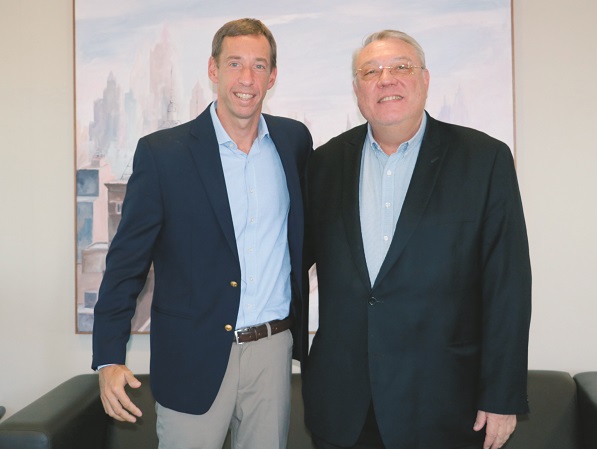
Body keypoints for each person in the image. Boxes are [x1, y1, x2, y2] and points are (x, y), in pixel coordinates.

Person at [302, 30, 531, 449]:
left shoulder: (484, 159)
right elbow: (290, 265)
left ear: (425, 79)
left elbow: (508, 286)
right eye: (371, 71)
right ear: (357, 90)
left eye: (401, 67)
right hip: (343, 407)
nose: (386, 79)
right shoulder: (324, 164)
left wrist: (502, 395)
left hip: (445, 406)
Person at [92, 18, 312, 449]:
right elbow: (126, 264)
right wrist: (109, 357)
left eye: (259, 65)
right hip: (191, 354)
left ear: (272, 76)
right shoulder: (162, 154)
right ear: (213, 70)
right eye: (234, 63)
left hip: (272, 351)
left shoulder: (294, 141)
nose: (247, 78)